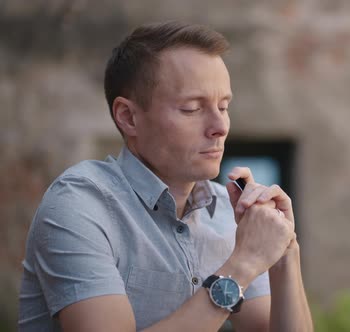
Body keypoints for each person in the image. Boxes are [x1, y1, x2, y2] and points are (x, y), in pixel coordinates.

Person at [18, 21, 313, 332]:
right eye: (191, 109)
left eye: (223, 106)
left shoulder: (229, 213)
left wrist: (283, 251)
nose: (220, 126)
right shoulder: (79, 206)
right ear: (128, 117)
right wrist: (243, 264)